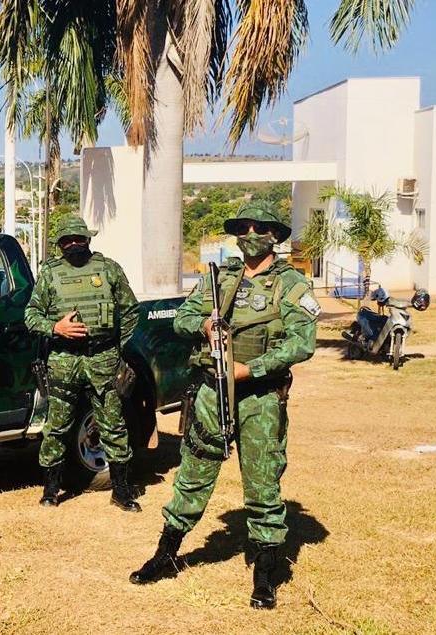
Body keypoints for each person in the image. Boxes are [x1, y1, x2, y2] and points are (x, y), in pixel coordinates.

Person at [130, 201, 319, 610]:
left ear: (274, 235)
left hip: (261, 397)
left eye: (259, 228)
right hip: (210, 391)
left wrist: (250, 369)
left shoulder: (291, 284)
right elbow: (180, 320)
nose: (250, 235)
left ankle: (266, 574)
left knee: (262, 483)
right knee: (194, 474)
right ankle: (166, 553)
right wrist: (204, 323)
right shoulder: (219, 279)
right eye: (243, 228)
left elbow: (301, 343)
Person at [25, 215, 141, 511]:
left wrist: (117, 348)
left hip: (103, 358)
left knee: (113, 426)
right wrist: (55, 328)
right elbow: (30, 315)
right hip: (64, 360)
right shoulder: (50, 274)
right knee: (58, 427)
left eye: (80, 239)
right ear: (60, 244)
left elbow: (130, 312)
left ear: (88, 240)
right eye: (67, 240)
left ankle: (122, 491)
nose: (74, 244)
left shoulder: (109, 270)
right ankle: (51, 491)